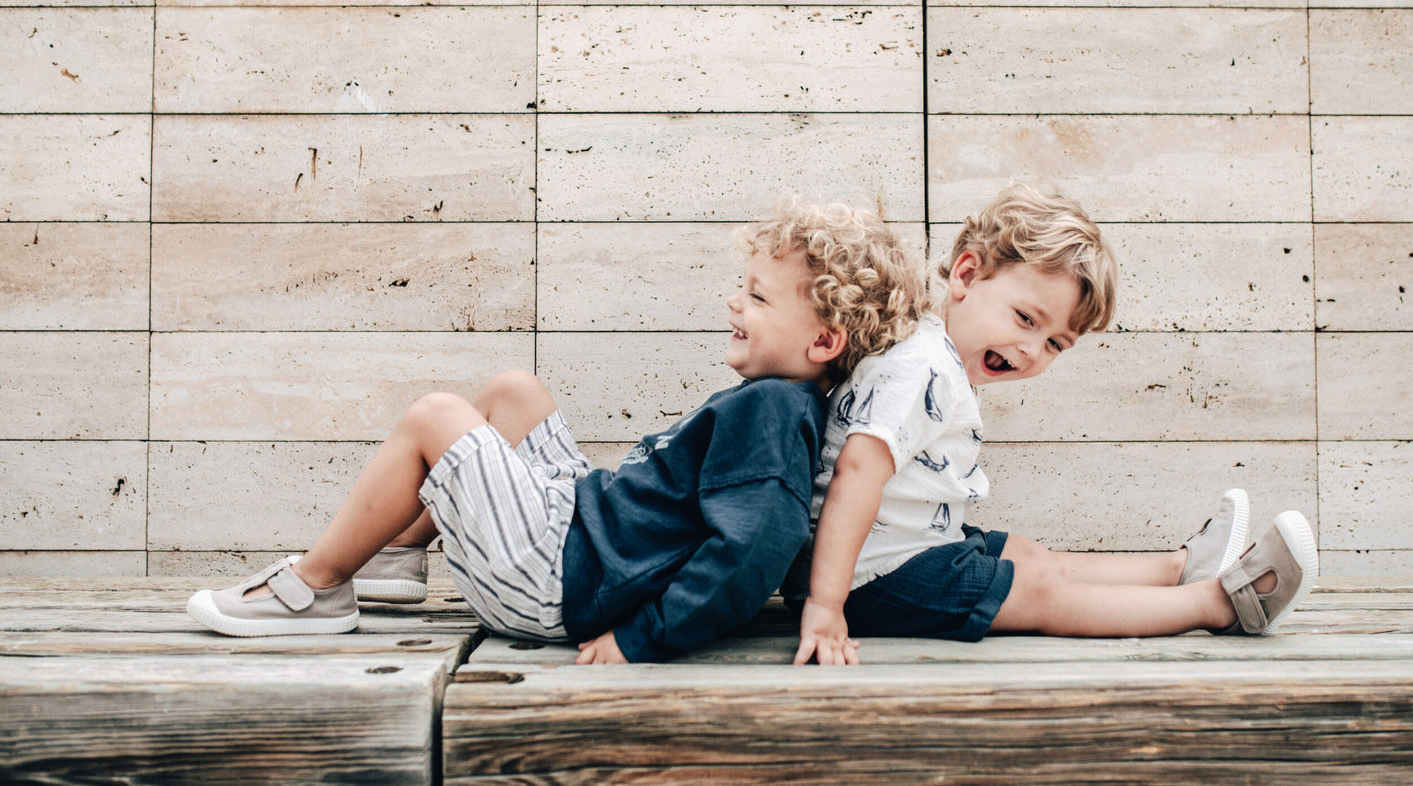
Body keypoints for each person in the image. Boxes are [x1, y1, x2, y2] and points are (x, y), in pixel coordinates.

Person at [187, 200, 928, 664]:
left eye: (757, 296)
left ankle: (316, 590)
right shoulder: (771, 400)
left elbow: (749, 556)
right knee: (513, 392)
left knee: (435, 418)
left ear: (823, 343)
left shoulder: (771, 413)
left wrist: (641, 640)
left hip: (557, 583)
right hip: (579, 534)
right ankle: (398, 557)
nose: (733, 301)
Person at [790, 183, 1319, 665]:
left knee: (1024, 555)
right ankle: (1219, 605)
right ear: (966, 275)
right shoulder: (922, 369)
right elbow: (855, 473)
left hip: (891, 555)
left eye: (1054, 345)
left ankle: (1179, 568)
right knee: (1039, 591)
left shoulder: (936, 355)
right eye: (1025, 320)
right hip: (867, 579)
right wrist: (825, 603)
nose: (1030, 350)